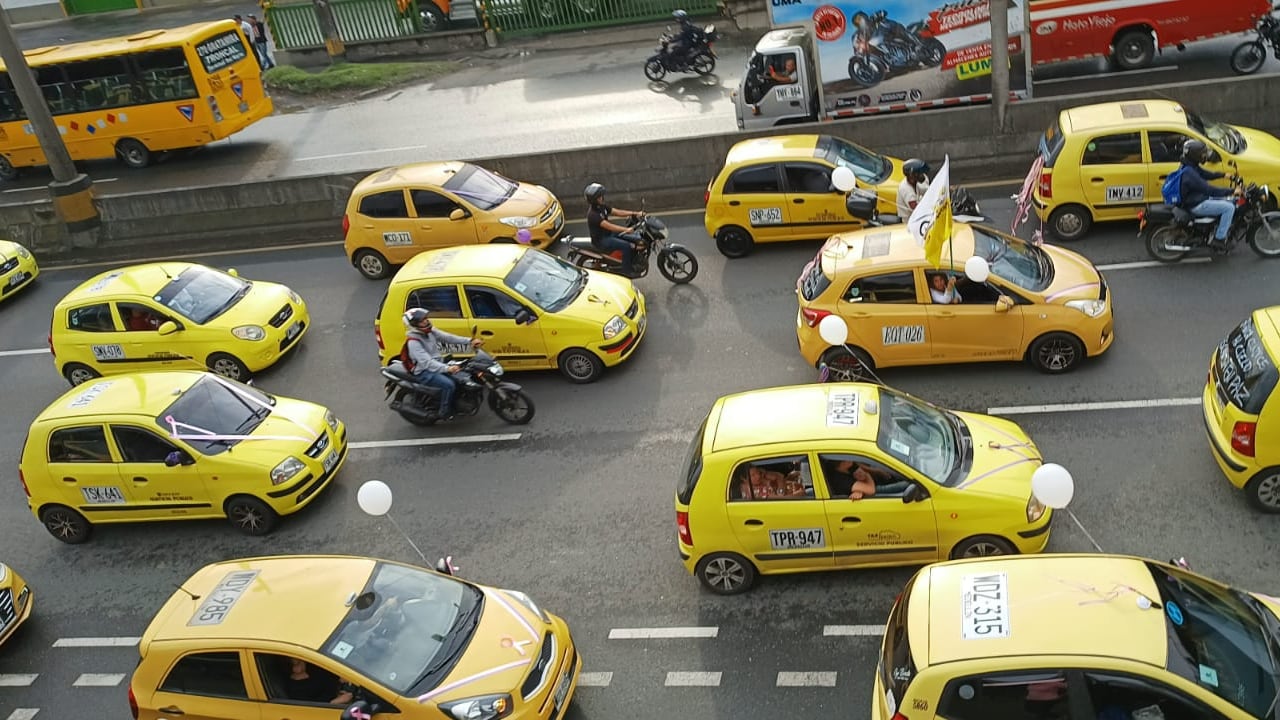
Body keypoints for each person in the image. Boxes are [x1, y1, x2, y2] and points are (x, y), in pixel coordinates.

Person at [401, 308, 483, 420]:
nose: (426, 321)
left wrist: (469, 341)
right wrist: (447, 368)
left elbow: (448, 337)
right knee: (449, 385)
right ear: (414, 325)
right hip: (424, 371)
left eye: (425, 318)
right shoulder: (414, 342)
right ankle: (444, 412)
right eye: (421, 321)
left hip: (437, 364)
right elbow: (427, 363)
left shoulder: (430, 331)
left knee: (462, 377)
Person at [1178, 138, 1239, 247]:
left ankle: (1216, 228)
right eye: (1202, 154)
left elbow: (1205, 174)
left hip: (1196, 198)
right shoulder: (1190, 174)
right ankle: (1219, 239)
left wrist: (1223, 175)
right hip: (1196, 203)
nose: (1205, 156)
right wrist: (1232, 191)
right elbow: (1210, 190)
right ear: (1194, 155)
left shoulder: (1189, 166)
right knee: (1229, 208)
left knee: (1230, 201)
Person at [584, 183, 644, 276]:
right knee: (626, 246)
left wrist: (635, 213)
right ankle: (627, 272)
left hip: (608, 234)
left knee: (634, 238)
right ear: (594, 200)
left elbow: (617, 212)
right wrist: (626, 229)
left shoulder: (602, 206)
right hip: (601, 240)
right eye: (599, 197)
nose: (602, 198)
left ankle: (632, 259)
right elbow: (609, 226)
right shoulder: (593, 214)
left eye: (601, 196)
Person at [283, 658, 354, 704]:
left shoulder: (313, 669)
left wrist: (339, 679)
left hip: (343, 691)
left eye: (301, 661)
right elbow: (310, 707)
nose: (302, 663)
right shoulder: (294, 689)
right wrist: (336, 701)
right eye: (297, 663)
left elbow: (329, 678)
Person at [825, 459, 889, 499]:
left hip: (868, 486)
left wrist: (877, 471)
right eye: (847, 458)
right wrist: (867, 475)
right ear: (842, 463)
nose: (851, 458)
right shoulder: (842, 481)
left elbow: (859, 466)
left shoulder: (848, 467)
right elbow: (871, 490)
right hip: (873, 491)